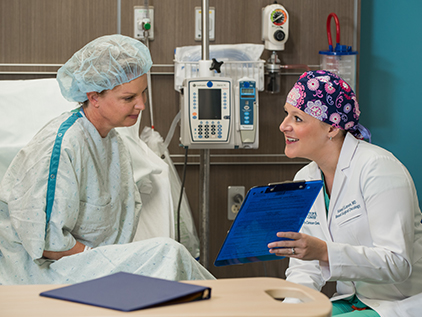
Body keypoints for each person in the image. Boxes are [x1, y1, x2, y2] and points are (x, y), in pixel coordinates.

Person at [0, 34, 214, 285]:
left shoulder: (113, 143)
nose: (141, 105)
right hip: (42, 272)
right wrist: (107, 260)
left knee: (171, 257)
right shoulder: (62, 147)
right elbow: (48, 245)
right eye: (128, 98)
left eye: (143, 93)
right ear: (93, 97)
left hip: (83, 264)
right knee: (168, 254)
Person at [267, 70, 422, 317]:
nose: (283, 126)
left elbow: (397, 263)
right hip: (350, 300)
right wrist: (290, 312)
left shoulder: (379, 168)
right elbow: (304, 269)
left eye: (297, 118)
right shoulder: (305, 179)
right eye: (287, 114)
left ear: (331, 128)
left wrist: (324, 252)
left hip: (398, 302)